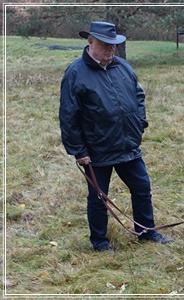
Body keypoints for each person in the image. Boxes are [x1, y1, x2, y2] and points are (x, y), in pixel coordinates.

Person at [59, 21, 173, 252]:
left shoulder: (122, 66)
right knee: (99, 198)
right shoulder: (75, 73)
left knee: (142, 187)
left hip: (127, 144)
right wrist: (79, 151)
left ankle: (146, 232)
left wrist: (139, 122)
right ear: (90, 42)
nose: (111, 50)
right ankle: (100, 242)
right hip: (96, 150)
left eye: (114, 45)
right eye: (105, 45)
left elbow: (138, 95)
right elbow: (68, 116)